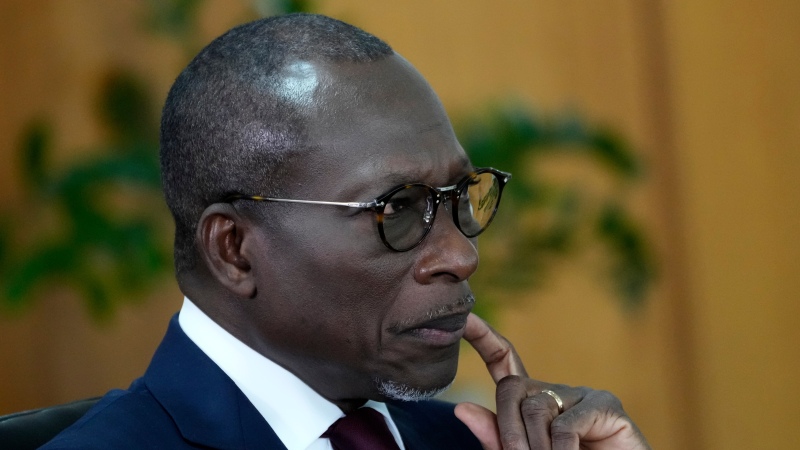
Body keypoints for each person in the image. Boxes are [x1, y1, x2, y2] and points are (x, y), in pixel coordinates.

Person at [43, 13, 650, 450]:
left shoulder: (478, 442)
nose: (461, 256)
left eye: (460, 196)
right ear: (234, 250)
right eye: (396, 208)